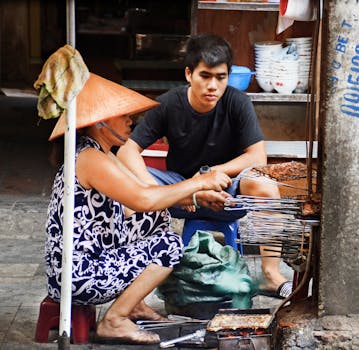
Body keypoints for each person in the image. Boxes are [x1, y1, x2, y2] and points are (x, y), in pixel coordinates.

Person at [43, 73, 232, 344]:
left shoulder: (102, 152)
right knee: (168, 246)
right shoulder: (89, 158)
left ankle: (134, 305)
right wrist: (198, 182)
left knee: (156, 219)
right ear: (100, 122)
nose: (131, 121)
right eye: (123, 116)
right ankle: (114, 320)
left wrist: (196, 197)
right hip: (76, 276)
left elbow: (149, 198)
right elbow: (143, 199)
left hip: (90, 258)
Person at [117, 33, 292, 298]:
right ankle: (135, 283)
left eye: (220, 78)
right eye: (205, 76)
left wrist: (215, 173)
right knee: (124, 184)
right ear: (189, 74)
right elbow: (127, 150)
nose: (213, 86)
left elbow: (257, 157)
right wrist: (159, 189)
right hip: (178, 194)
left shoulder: (237, 102)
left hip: (226, 194)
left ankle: (271, 275)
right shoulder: (167, 104)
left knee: (264, 185)